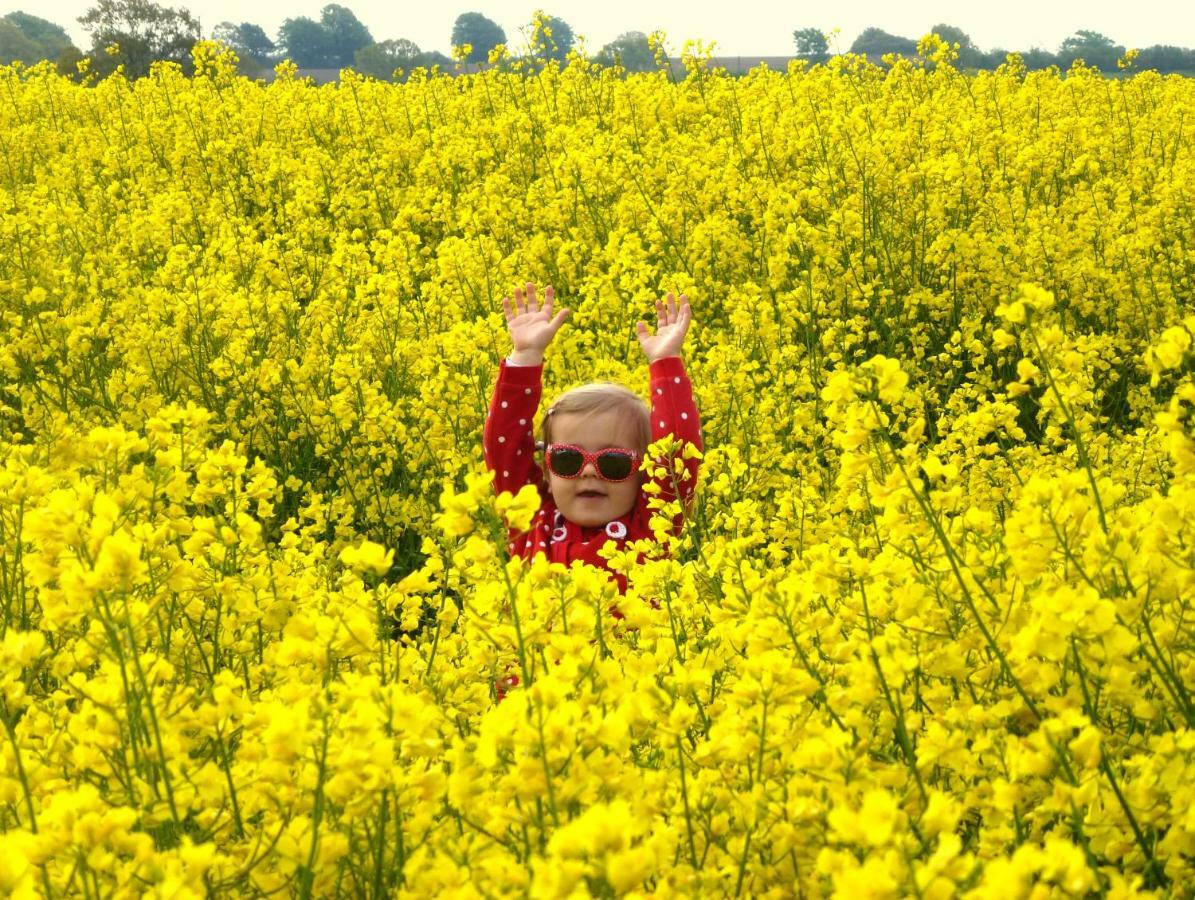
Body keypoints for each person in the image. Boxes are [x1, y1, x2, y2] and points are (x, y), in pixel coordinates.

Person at [483, 282, 703, 595]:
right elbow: (502, 447)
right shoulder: (532, 520)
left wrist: (665, 361)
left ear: (644, 474)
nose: (588, 471)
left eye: (613, 463)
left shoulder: (652, 525)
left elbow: (677, 454)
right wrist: (525, 356)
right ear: (546, 468)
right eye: (567, 459)